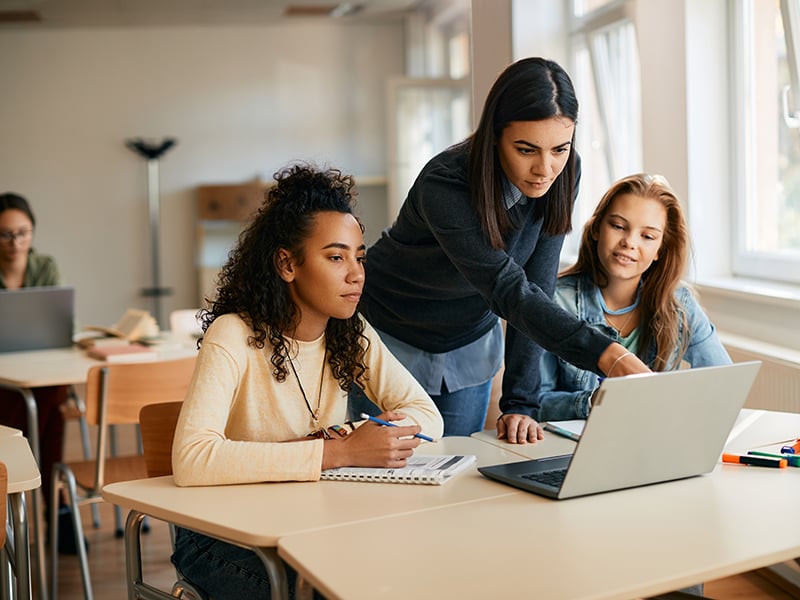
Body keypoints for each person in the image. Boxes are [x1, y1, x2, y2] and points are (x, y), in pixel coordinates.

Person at [170, 163, 444, 599]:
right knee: (335, 589)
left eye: (359, 257)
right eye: (336, 257)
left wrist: (350, 439)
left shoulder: (351, 332)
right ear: (287, 264)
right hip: (222, 536)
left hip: (311, 524)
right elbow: (192, 459)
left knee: (412, 566)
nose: (356, 274)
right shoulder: (233, 334)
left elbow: (427, 416)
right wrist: (338, 452)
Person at [352, 57, 649, 442]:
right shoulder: (445, 183)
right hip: (390, 334)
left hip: (468, 342)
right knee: (382, 482)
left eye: (559, 148)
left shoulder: (563, 172)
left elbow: (536, 287)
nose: (545, 168)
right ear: (495, 136)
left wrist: (520, 404)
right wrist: (608, 354)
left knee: (452, 481)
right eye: (526, 150)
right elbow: (506, 288)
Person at [538, 173, 731, 422]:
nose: (629, 242)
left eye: (648, 236)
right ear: (597, 228)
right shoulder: (554, 301)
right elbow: (533, 403)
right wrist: (594, 401)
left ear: (660, 249)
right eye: (618, 226)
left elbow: (723, 381)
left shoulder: (679, 303)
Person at [0, 192, 79, 552]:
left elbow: (59, 324)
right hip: (4, 381)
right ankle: (58, 510)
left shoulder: (44, 265)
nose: (15, 242)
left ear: (33, 232)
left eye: (23, 232)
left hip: (39, 372)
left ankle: (11, 501)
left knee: (48, 398)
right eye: (5, 234)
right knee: (52, 413)